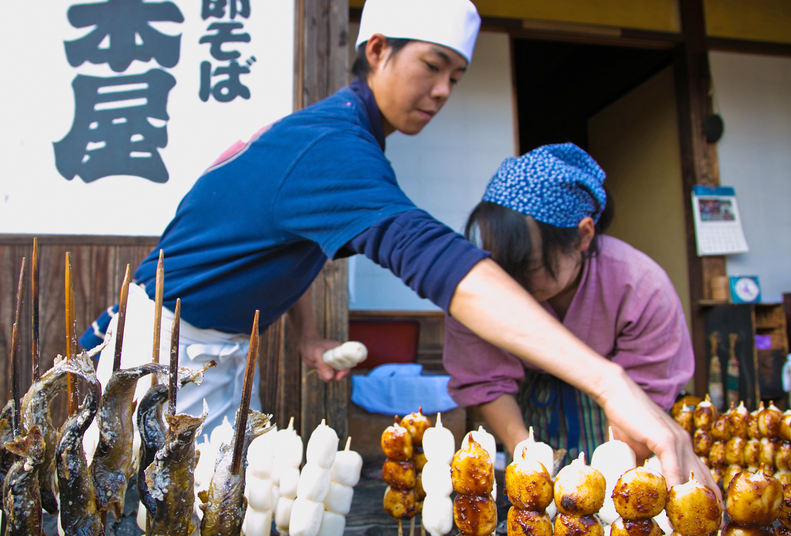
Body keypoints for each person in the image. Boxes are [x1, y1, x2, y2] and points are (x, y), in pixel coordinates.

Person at [81, 0, 714, 493]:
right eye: (432, 66)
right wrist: (610, 383)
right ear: (378, 50)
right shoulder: (332, 148)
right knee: (154, 507)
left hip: (208, 348)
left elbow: (299, 247)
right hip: (161, 351)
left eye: (456, 77)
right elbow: (439, 263)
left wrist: (304, 334)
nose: (442, 90)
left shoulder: (335, 139)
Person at [442, 143, 694, 464]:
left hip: (620, 438)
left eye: (528, 268)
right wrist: (525, 453)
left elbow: (645, 400)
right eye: (502, 268)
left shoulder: (642, 286)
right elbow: (486, 380)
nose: (510, 288)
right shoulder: (477, 286)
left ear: (583, 236)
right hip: (527, 419)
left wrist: (611, 475)